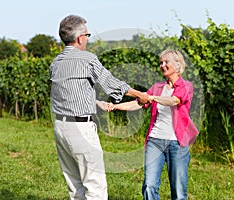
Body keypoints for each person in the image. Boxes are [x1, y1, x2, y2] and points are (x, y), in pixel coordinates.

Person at [49, 14, 149, 200]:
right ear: (80, 38)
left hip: (61, 128)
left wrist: (95, 103)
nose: (87, 39)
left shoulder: (56, 63)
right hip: (81, 129)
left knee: (75, 186)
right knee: (96, 187)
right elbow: (110, 83)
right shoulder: (87, 59)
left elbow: (66, 95)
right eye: (87, 35)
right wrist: (139, 95)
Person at [107, 49, 199, 200]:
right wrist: (115, 106)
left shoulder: (186, 86)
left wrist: (152, 98)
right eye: (160, 63)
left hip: (178, 143)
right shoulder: (157, 87)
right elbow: (139, 102)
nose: (162, 65)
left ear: (177, 65)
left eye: (166, 62)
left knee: (178, 190)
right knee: (149, 185)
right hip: (155, 141)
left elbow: (174, 101)